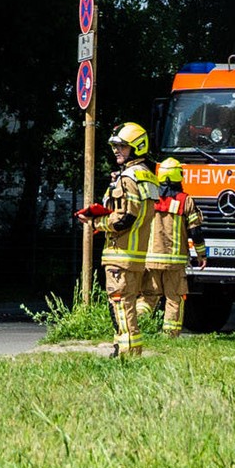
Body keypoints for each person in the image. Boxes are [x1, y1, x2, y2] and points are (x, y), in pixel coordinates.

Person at [81, 124, 154, 347]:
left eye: (122, 146)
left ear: (137, 147)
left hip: (121, 254)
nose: (116, 151)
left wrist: (95, 222)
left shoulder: (128, 178)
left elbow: (124, 219)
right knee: (128, 303)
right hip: (136, 254)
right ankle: (125, 348)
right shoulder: (147, 176)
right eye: (115, 147)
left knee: (120, 303)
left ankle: (126, 350)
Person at [121, 156, 195, 353]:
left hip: (151, 259)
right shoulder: (184, 200)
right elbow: (196, 230)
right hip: (175, 261)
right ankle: (169, 336)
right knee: (174, 297)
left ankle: (138, 324)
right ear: (179, 175)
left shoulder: (150, 198)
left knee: (148, 297)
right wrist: (201, 255)